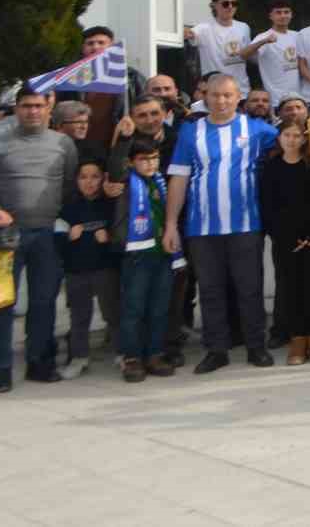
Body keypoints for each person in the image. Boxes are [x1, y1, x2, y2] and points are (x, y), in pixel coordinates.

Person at [162, 74, 279, 374]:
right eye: (215, 95)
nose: (221, 101)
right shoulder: (191, 132)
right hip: (201, 228)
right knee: (211, 291)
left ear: (238, 97)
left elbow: (294, 139)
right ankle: (217, 349)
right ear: (206, 97)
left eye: (227, 95)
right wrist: (171, 224)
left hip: (245, 225)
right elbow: (178, 178)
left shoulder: (255, 130)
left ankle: (256, 346)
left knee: (249, 288)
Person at [0, 84, 78, 390]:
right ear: (16, 108)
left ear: (49, 108)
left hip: (46, 234)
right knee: (0, 304)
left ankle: (39, 362)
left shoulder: (63, 144)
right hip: (3, 236)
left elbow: (69, 185)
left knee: (44, 302)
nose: (33, 111)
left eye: (39, 106)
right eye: (27, 106)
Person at [260, 118, 310, 366]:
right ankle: (297, 337)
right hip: (285, 240)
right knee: (291, 289)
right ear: (279, 138)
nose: (292, 140)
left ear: (304, 138)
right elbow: (268, 207)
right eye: (287, 135)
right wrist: (288, 237)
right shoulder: (271, 168)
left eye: (297, 135)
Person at [111, 139, 178, 383]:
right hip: (137, 255)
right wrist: (123, 139)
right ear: (131, 162)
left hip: (162, 253)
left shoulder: (162, 183)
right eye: (143, 159)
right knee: (134, 307)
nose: (150, 164)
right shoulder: (126, 184)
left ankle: (154, 353)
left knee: (159, 307)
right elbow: (115, 168)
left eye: (154, 158)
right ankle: (132, 356)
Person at [57, 158, 120, 379]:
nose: (89, 182)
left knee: (112, 312)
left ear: (103, 178)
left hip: (104, 268)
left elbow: (121, 235)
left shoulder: (110, 205)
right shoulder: (68, 207)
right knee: (79, 316)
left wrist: (109, 237)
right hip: (76, 270)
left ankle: (123, 353)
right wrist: (67, 236)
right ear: (76, 180)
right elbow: (57, 241)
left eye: (94, 176)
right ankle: (79, 357)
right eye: (83, 177)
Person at [185, 0, 253, 97]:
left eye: (234, 3)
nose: (230, 7)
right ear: (214, 5)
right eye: (225, 4)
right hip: (215, 92)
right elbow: (188, 34)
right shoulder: (203, 28)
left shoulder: (244, 27)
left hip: (241, 90)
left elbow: (249, 55)